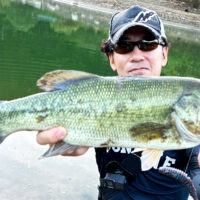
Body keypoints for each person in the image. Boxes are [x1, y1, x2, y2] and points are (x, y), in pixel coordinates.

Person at [36, 5, 200, 200]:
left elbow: (195, 174)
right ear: (111, 59)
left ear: (164, 54)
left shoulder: (189, 127)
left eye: (148, 43)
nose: (137, 55)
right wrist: (70, 141)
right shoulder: (96, 95)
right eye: (124, 46)